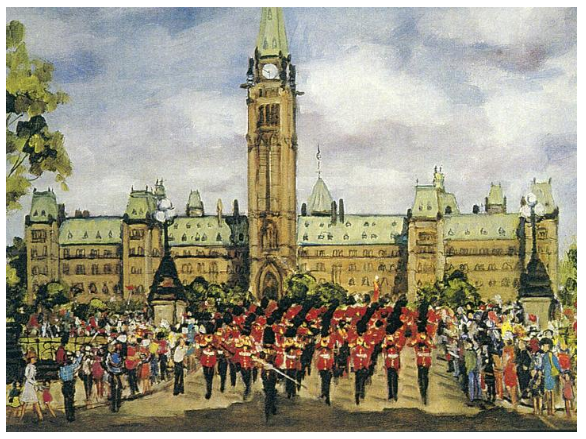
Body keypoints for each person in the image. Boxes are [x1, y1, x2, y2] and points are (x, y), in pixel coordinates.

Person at [59, 351, 83, 422]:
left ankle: (68, 416)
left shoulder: (61, 368)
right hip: (70, 384)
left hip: (64, 385)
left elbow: (60, 377)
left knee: (66, 401)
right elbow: (77, 364)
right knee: (71, 400)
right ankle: (71, 416)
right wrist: (80, 356)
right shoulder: (70, 367)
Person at [410, 332, 433, 405]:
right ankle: (422, 391)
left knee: (425, 376)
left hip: (426, 362)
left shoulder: (428, 343)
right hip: (420, 362)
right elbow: (411, 344)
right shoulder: (418, 344)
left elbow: (432, 346)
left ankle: (424, 392)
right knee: (420, 376)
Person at [540, 338, 561, 416]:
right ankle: (549, 409)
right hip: (547, 376)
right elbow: (542, 366)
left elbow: (557, 364)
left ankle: (551, 409)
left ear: (549, 347)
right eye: (544, 346)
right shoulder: (545, 355)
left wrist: (561, 372)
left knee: (550, 394)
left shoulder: (550, 355)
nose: (544, 347)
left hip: (550, 376)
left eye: (546, 346)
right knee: (548, 394)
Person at [21, 352, 43, 421]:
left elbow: (33, 377)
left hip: (32, 385)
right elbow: (27, 376)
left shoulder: (33, 367)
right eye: (33, 358)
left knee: (35, 401)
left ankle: (40, 416)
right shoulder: (28, 367)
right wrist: (34, 383)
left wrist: (35, 384)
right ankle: (21, 417)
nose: (35, 359)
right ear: (30, 359)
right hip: (28, 385)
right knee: (26, 402)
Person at [351, 336, 371, 405]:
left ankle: (360, 395)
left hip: (362, 368)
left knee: (361, 382)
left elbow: (367, 359)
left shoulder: (365, 350)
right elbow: (352, 358)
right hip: (358, 369)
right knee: (358, 382)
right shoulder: (355, 349)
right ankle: (358, 395)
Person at [315, 336, 334, 405]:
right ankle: (324, 393)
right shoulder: (319, 347)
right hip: (322, 367)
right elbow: (317, 348)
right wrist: (322, 343)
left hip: (328, 368)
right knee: (324, 381)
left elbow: (331, 348)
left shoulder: (330, 346)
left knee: (327, 382)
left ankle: (327, 396)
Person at [105, 343, 124, 412]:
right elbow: (106, 364)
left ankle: (117, 403)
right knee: (114, 389)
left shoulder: (116, 355)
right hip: (112, 373)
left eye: (112, 348)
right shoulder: (108, 355)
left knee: (118, 388)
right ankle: (115, 405)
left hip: (117, 372)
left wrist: (116, 365)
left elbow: (120, 362)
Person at [198, 334, 217, 400]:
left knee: (210, 380)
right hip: (205, 365)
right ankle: (208, 390)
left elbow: (214, 359)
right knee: (206, 378)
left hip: (211, 366)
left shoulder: (213, 351)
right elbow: (201, 357)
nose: (209, 346)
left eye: (210, 345)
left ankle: (209, 392)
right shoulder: (204, 349)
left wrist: (212, 365)